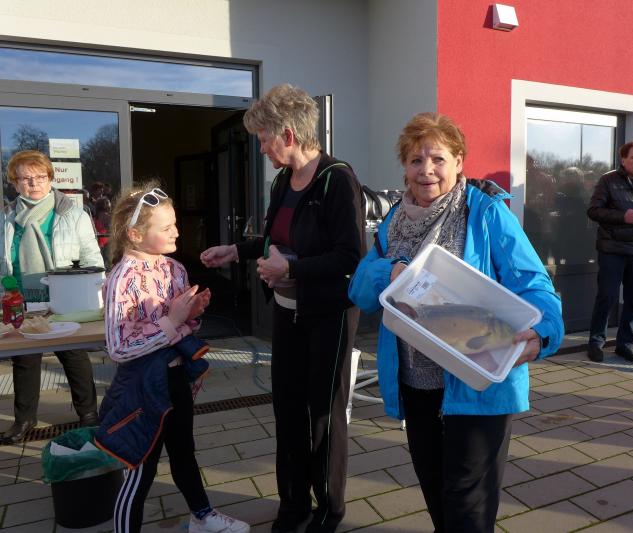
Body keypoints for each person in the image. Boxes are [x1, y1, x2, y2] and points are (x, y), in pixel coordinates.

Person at [348, 112, 564, 532]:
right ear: (404, 166)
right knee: (436, 493)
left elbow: (534, 283)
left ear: (459, 161)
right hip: (417, 385)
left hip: (478, 379)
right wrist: (390, 272)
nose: (426, 170)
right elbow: (359, 289)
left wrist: (543, 333)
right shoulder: (393, 221)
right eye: (415, 160)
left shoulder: (485, 212)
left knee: (467, 506)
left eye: (438, 159)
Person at [200, 84, 363, 533]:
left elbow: (350, 256)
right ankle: (293, 507)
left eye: (264, 139)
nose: (261, 148)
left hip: (329, 314)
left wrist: (291, 268)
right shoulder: (281, 181)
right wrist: (236, 250)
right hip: (288, 313)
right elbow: (275, 240)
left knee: (323, 415)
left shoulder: (336, 179)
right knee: (287, 411)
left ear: (288, 135)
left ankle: (328, 511)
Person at [98, 183, 248, 533]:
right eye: (166, 227)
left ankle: (202, 516)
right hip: (141, 387)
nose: (177, 232)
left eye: (175, 223)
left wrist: (191, 314)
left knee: (183, 451)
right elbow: (118, 347)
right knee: (141, 468)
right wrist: (173, 320)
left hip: (175, 378)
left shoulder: (174, 269)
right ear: (135, 235)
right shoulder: (123, 278)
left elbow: (182, 326)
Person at [0, 150, 103, 445]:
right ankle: (25, 419)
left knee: (73, 356)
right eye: (25, 178)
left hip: (64, 299)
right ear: (14, 183)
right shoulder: (6, 217)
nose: (33, 183)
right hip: (21, 298)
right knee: (24, 359)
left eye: (40, 176)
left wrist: (95, 291)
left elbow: (91, 256)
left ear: (50, 178)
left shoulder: (73, 213)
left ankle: (88, 415)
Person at [586, 142, 633, 363]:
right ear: (623, 160)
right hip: (614, 250)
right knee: (607, 297)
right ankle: (596, 343)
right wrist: (623, 217)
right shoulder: (608, 181)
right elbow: (593, 211)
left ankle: (625, 345)